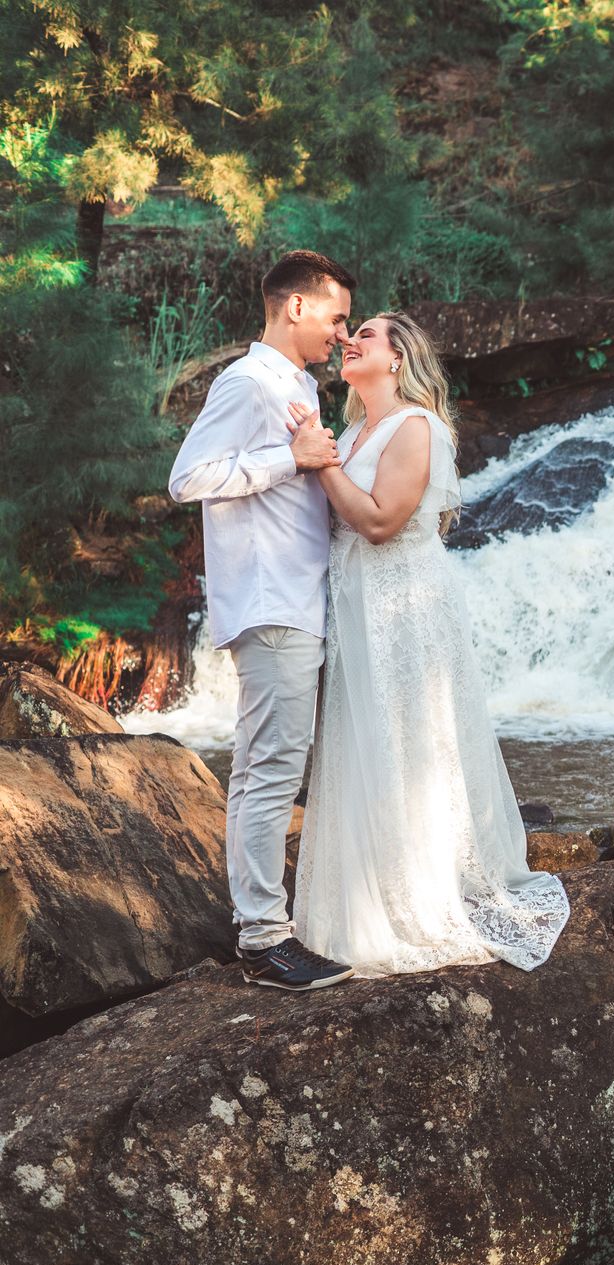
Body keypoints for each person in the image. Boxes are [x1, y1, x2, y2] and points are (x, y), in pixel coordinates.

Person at [289, 311, 570, 976]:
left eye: (368, 335)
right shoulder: (357, 427)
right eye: (350, 332)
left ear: (397, 359)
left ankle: (419, 891)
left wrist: (322, 462)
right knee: (364, 739)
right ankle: (362, 899)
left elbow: (383, 521)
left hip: (404, 603)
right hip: (356, 601)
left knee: (412, 741)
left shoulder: (415, 425)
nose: (351, 340)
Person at [168, 250, 358, 991]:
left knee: (265, 766)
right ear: (297, 307)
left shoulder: (302, 384)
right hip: (272, 601)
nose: (343, 334)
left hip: (298, 599)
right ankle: (265, 939)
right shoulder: (248, 383)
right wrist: (290, 456)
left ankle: (263, 925)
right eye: (337, 317)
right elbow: (188, 477)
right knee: (272, 767)